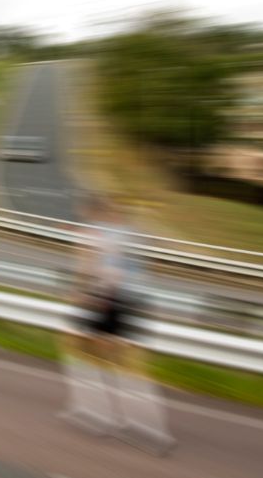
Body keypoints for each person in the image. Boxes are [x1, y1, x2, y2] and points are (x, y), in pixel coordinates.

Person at [59, 193, 173, 455]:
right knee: (128, 363)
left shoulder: (93, 233)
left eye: (82, 210)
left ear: (90, 211)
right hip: (136, 302)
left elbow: (87, 269)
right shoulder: (130, 233)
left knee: (77, 348)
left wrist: (78, 296)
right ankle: (152, 427)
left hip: (107, 301)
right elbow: (145, 264)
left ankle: (94, 411)